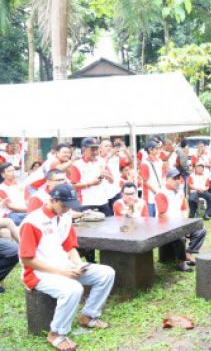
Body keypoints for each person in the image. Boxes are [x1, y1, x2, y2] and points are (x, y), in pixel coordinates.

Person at [19, 184, 115, 351]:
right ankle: (56, 333)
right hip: (38, 273)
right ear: (52, 200)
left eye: (69, 206)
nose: (66, 209)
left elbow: (70, 246)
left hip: (64, 266)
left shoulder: (64, 217)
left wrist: (78, 264)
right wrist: (62, 272)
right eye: (63, 205)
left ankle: (89, 315)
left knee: (106, 273)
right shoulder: (32, 222)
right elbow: (27, 259)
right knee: (73, 289)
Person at [155, 169, 207, 272]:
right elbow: (162, 214)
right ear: (167, 180)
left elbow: (185, 209)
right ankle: (181, 262)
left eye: (178, 178)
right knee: (180, 237)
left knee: (201, 230)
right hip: (166, 226)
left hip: (179, 224)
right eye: (174, 179)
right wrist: (180, 226)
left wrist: (184, 223)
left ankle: (188, 252)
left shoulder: (179, 192)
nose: (177, 181)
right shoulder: (161, 193)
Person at [69, 138, 114, 217]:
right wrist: (91, 183)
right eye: (92, 149)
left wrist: (107, 176)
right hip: (86, 203)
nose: (95, 152)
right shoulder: (77, 165)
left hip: (103, 202)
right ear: (84, 149)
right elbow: (73, 186)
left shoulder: (102, 161)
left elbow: (112, 180)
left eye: (97, 149)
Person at [139, 140, 165, 217]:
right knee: (150, 218)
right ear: (150, 150)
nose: (158, 150)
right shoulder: (145, 163)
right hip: (149, 195)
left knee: (159, 217)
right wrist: (156, 191)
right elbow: (145, 181)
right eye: (156, 148)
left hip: (159, 192)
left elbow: (163, 176)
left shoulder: (160, 161)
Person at [99, 139, 122, 210]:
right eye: (106, 146)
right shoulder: (97, 159)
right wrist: (109, 155)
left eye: (110, 146)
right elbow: (102, 166)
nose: (109, 148)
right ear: (100, 148)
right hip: (103, 194)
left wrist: (122, 149)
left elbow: (129, 161)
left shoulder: (115, 158)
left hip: (116, 192)